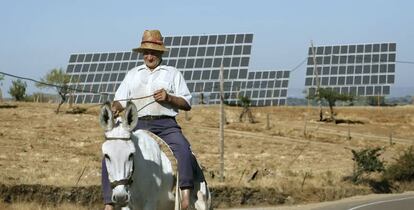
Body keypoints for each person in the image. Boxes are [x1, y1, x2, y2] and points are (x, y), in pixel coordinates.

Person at [102, 29, 203, 210]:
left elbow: (187, 103)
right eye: (146, 52)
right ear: (142, 53)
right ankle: (109, 201)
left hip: (165, 125)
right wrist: (116, 107)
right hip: (137, 124)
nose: (149, 56)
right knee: (112, 150)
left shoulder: (172, 73)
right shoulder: (132, 74)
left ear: (160, 53)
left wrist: (169, 98)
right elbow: (120, 100)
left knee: (183, 150)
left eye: (153, 52)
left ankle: (186, 195)